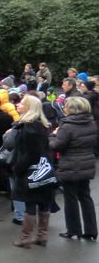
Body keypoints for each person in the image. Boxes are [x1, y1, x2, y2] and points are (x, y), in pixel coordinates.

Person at [11, 96, 57, 248]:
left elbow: (31, 153)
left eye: (22, 103)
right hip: (45, 171)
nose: (18, 105)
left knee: (30, 204)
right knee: (44, 204)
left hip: (30, 172)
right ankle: (42, 236)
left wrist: (18, 168)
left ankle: (26, 238)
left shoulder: (29, 127)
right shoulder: (42, 125)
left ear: (29, 108)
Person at [50, 97, 98, 240]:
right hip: (87, 162)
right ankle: (91, 230)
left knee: (70, 198)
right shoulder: (91, 123)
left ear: (72, 109)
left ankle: (73, 229)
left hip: (70, 164)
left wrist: (52, 135)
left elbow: (57, 146)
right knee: (85, 196)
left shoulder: (67, 126)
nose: (64, 108)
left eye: (66, 106)